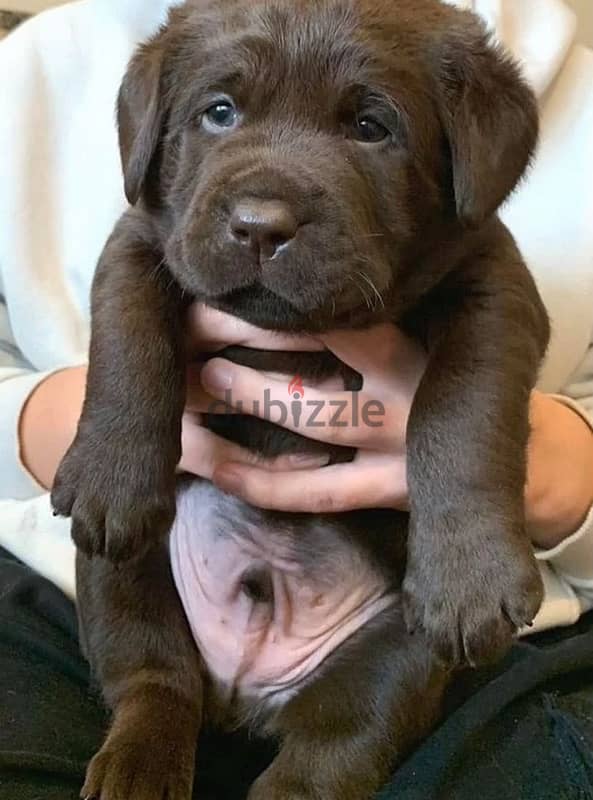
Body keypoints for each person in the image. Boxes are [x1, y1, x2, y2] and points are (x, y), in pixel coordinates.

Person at [0, 1, 592, 799]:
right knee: (115, 576)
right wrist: (95, 427)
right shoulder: (50, 58)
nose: (262, 210)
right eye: (219, 111)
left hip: (405, 604)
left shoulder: (473, 76)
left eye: (370, 128)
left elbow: (495, 311)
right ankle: (151, 697)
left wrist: (490, 503)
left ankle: (321, 771)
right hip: (85, 598)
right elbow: (136, 252)